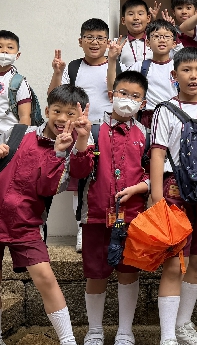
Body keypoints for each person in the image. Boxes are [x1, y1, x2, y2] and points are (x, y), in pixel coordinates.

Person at [0, 85, 94, 345]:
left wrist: (60, 151)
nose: (62, 118)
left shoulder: (71, 151)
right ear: (46, 111)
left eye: (70, 114)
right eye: (57, 111)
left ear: (79, 117)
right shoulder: (18, 132)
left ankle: (68, 340)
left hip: (26, 222)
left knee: (45, 278)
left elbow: (50, 187)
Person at [148, 48, 197, 345]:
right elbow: (157, 154)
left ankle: (183, 325)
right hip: (175, 192)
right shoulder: (164, 110)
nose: (193, 76)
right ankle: (167, 336)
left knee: (196, 259)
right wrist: (157, 198)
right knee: (174, 262)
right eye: (186, 70)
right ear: (174, 75)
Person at [71, 71, 151, 345]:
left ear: (143, 102)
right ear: (111, 94)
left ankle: (125, 331)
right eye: (123, 93)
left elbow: (154, 173)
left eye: (135, 96)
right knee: (96, 274)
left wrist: (139, 188)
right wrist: (82, 139)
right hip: (95, 215)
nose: (128, 100)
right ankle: (94, 330)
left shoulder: (144, 134)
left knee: (129, 273)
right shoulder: (92, 130)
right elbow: (78, 171)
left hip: (132, 217)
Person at [49, 18, 113, 253]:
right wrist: (57, 73)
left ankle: (109, 228)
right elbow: (55, 97)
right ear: (80, 41)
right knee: (80, 180)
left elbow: (118, 94)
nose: (94, 43)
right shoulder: (73, 67)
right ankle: (82, 229)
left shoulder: (115, 64)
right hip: (79, 130)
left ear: (107, 42)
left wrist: (114, 61)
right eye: (89, 38)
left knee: (106, 178)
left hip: (107, 129)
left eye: (100, 38)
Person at [114, 19, 179, 128]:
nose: (162, 40)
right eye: (156, 36)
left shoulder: (178, 67)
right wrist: (113, 58)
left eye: (167, 36)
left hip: (174, 115)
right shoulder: (141, 66)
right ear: (148, 42)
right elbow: (120, 82)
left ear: (174, 43)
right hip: (148, 117)